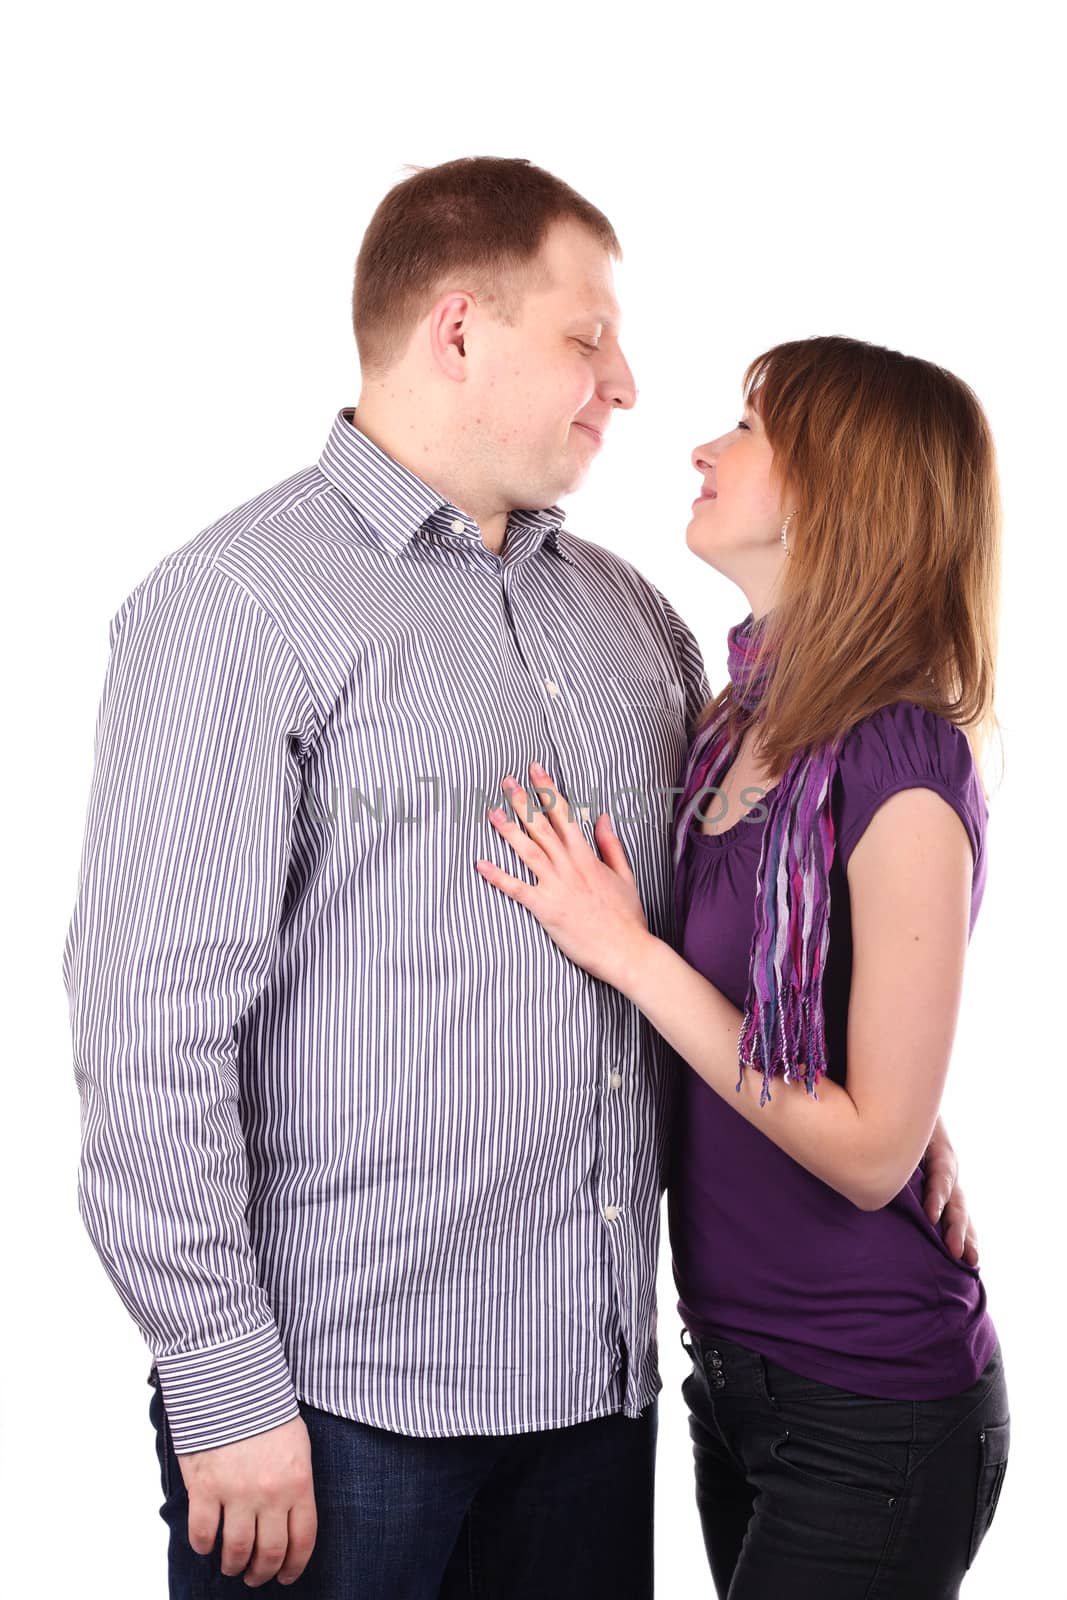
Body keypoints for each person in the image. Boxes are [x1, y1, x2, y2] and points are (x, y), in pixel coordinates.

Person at [61, 158, 975, 1598]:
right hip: (340, 1407)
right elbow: (149, 1031)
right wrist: (222, 1384)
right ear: (458, 329)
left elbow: (738, 935)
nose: (624, 382)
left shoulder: (631, 626)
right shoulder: (236, 606)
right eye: (585, 334)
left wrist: (893, 1114)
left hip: (591, 1400)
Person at [476, 333, 1010, 1597]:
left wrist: (629, 952)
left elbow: (874, 1148)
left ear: (844, 493)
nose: (704, 448)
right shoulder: (733, 729)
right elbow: (825, 1051)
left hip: (872, 1408)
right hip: (732, 1378)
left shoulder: (901, 766)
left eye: (751, 431)